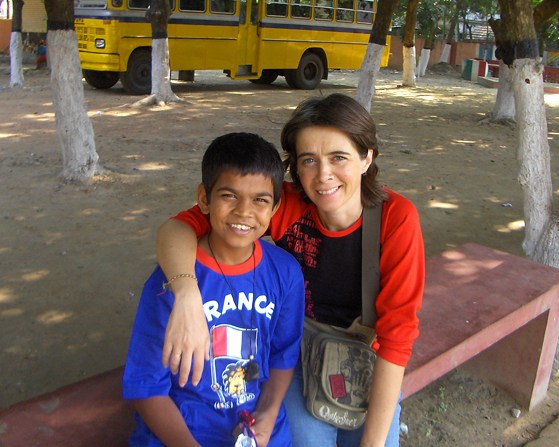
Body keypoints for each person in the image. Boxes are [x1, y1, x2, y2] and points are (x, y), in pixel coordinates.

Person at [157, 94, 425, 446]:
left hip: (367, 357)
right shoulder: (284, 204)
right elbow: (177, 229)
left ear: (366, 158)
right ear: (295, 167)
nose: (323, 175)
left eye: (338, 157)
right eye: (309, 160)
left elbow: (397, 338)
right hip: (298, 352)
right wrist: (186, 295)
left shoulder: (396, 218)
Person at [123, 132, 305, 447]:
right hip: (184, 431)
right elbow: (146, 386)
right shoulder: (171, 280)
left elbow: (282, 354)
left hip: (257, 429)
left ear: (275, 207)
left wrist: (267, 414)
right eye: (229, 196)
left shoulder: (285, 272)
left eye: (260, 200)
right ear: (204, 200)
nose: (244, 211)